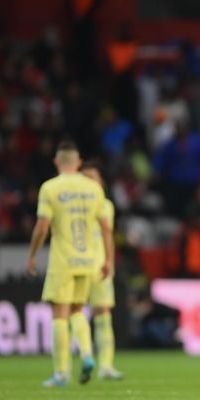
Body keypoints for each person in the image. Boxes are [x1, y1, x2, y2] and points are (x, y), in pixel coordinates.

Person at [27, 141, 113, 387]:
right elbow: (106, 228)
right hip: (87, 261)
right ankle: (87, 354)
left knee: (59, 315)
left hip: (63, 260)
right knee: (77, 310)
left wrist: (32, 254)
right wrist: (107, 259)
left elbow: (42, 227)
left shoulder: (50, 188)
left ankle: (61, 373)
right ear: (77, 162)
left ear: (56, 162)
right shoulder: (93, 189)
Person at [80, 160, 124, 379]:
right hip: (76, 264)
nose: (89, 183)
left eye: (93, 178)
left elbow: (108, 236)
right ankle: (82, 359)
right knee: (73, 313)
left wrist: (110, 262)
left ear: (101, 182)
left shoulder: (106, 205)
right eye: (85, 178)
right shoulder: (74, 206)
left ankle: (105, 365)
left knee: (103, 313)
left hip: (100, 265)